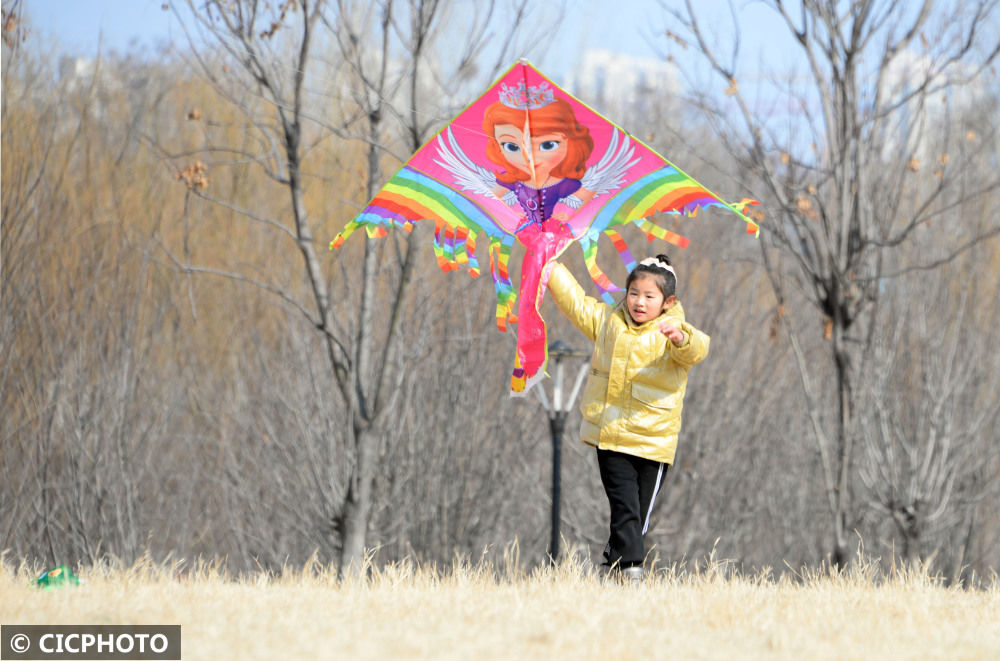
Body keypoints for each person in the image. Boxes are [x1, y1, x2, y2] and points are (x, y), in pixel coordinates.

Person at [547, 254, 710, 582]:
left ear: (668, 302)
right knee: (625, 507)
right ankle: (632, 570)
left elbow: (698, 348)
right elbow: (576, 303)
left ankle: (613, 565)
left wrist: (680, 339)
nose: (639, 302)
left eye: (650, 297)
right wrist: (549, 266)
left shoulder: (673, 330)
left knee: (637, 515)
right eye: (634, 293)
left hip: (653, 441)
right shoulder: (609, 323)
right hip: (611, 435)